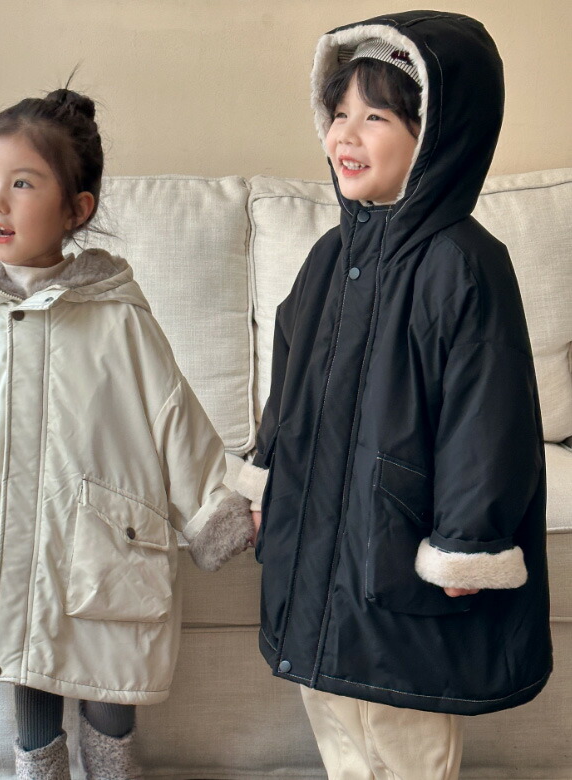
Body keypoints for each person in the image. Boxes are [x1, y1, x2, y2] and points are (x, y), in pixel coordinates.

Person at [0, 86, 254, 780]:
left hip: (102, 534)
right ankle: (40, 770)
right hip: (3, 533)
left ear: (76, 209)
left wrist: (219, 508)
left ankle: (113, 767)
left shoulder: (118, 315)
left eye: (22, 184)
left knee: (111, 667)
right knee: (23, 655)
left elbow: (173, 414)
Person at [235, 11, 552, 779]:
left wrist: (468, 540)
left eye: (374, 117)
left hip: (395, 545)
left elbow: (490, 417)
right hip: (320, 538)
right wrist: (265, 476)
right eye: (339, 112)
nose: (345, 134)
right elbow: (290, 381)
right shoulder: (328, 256)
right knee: (335, 717)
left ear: (436, 134)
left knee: (402, 733)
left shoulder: (464, 264)